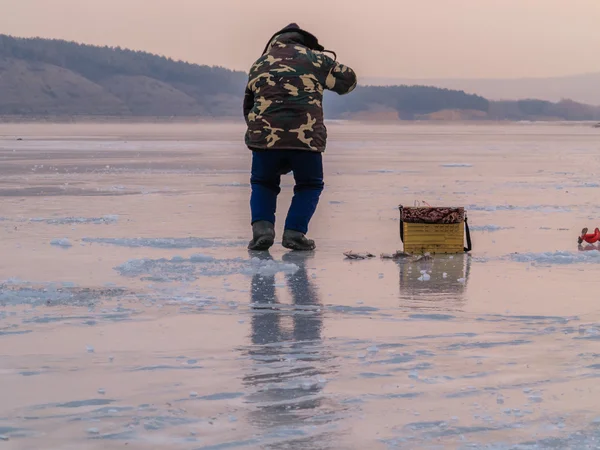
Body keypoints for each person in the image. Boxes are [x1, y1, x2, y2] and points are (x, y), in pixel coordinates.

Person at [243, 23, 357, 251]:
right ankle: (295, 232)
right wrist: (325, 61)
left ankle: (262, 231)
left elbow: (248, 104)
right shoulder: (315, 60)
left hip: (265, 137)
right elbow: (348, 82)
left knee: (263, 183)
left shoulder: (260, 63)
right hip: (305, 138)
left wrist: (260, 133)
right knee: (309, 184)